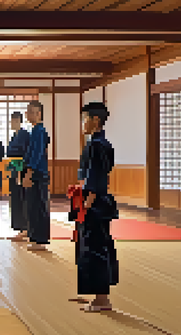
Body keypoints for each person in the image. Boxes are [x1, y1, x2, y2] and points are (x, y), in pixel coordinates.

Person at [71, 102, 119, 312]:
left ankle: (102, 299)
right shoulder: (98, 143)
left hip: (95, 203)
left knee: (95, 248)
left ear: (95, 120)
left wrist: (88, 202)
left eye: (85, 119)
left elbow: (97, 176)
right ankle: (97, 294)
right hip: (95, 201)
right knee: (92, 246)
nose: (83, 123)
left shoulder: (98, 144)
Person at [21, 101, 51, 251]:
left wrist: (29, 173)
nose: (28, 114)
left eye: (31, 111)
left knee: (39, 206)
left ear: (39, 113)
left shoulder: (40, 131)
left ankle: (40, 240)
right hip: (34, 173)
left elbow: (37, 155)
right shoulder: (34, 130)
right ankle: (34, 237)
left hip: (38, 174)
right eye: (27, 111)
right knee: (32, 206)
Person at [6, 112, 30, 241]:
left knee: (22, 198)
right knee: (14, 197)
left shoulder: (24, 135)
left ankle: (25, 227)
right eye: (11, 121)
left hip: (21, 169)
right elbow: (9, 151)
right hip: (14, 168)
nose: (12, 123)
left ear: (19, 121)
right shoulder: (14, 136)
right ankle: (18, 227)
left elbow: (23, 152)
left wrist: (21, 171)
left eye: (14, 121)